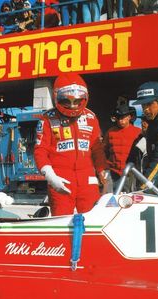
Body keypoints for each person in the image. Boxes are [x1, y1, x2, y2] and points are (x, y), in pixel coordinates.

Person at [34, 73, 108, 216]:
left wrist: (103, 172)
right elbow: (40, 150)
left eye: (77, 100)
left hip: (87, 178)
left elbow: (97, 149)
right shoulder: (47, 119)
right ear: (57, 97)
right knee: (61, 221)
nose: (73, 105)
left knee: (93, 218)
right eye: (67, 101)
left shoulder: (91, 117)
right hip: (60, 178)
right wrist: (50, 176)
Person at [132, 81, 158, 196]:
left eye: (149, 104)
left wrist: (143, 187)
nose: (145, 109)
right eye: (143, 105)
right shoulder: (153, 121)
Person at [103, 104, 141, 192]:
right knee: (110, 200)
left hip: (130, 173)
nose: (120, 121)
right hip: (112, 172)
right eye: (118, 118)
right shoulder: (110, 132)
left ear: (129, 117)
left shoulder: (138, 132)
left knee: (129, 200)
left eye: (123, 117)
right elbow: (103, 151)